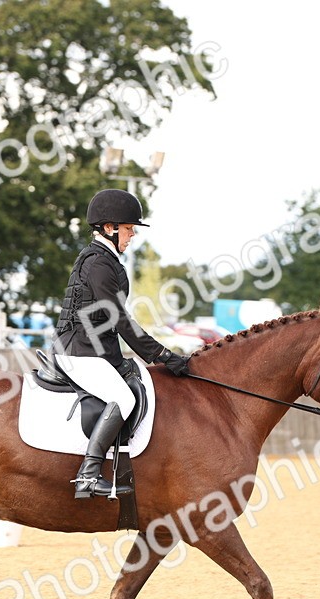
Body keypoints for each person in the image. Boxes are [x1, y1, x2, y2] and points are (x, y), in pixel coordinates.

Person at [53, 188, 192, 499]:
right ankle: (89, 473)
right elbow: (118, 318)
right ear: (109, 228)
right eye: (129, 229)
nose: (132, 235)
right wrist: (161, 355)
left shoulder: (104, 259)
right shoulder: (99, 263)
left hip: (94, 349)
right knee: (124, 398)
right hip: (80, 351)